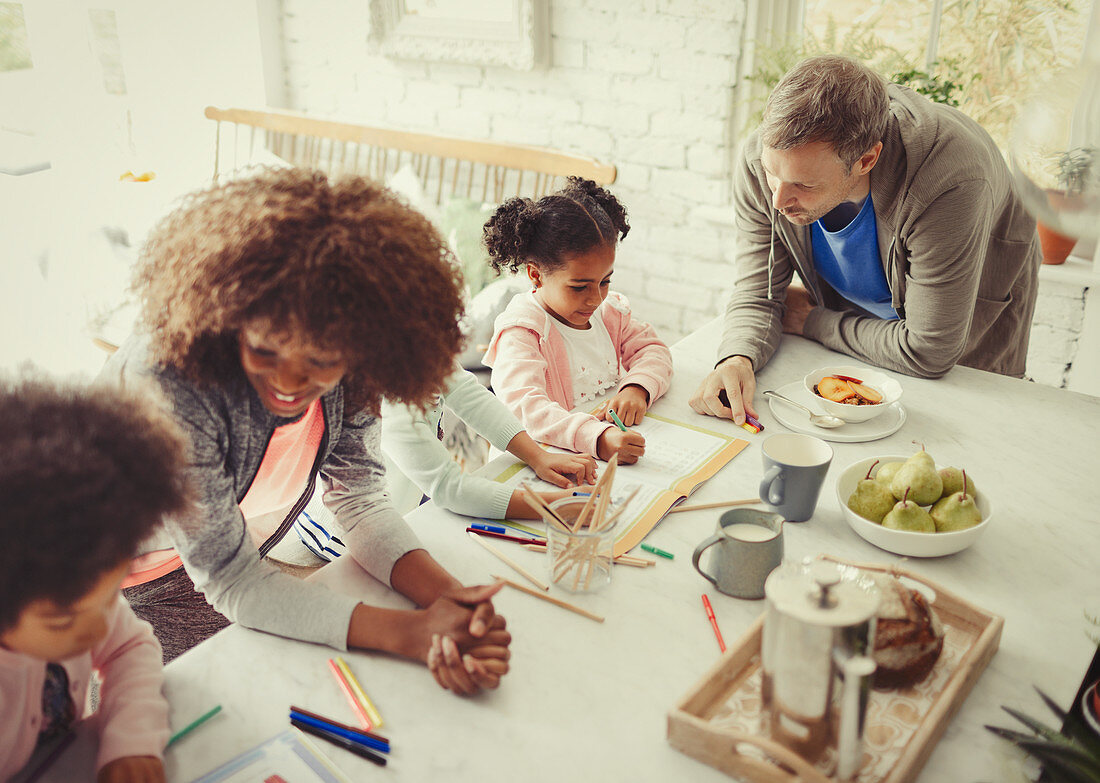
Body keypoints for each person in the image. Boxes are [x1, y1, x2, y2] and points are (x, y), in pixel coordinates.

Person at [99, 168, 510, 696]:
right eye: (264, 351)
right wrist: (411, 633)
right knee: (159, 715)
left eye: (320, 361)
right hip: (130, 568)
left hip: (229, 540)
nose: (291, 383)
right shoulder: (169, 383)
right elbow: (231, 578)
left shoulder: (356, 356)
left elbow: (359, 498)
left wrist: (451, 600)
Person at [690, 54, 1041, 426]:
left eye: (804, 185)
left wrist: (814, 321)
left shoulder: (949, 180)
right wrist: (737, 358)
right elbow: (759, 295)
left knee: (960, 437)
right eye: (771, 173)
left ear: (867, 159)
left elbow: (929, 351)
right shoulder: (764, 162)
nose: (777, 201)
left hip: (964, 328)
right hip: (858, 333)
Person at [0, 376, 192, 783]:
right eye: (62, 621)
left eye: (110, 598)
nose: (101, 626)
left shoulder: (72, 588)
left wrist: (131, 741)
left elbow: (130, 646)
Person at [482, 177, 673, 465]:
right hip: (541, 461)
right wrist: (596, 438)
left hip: (602, 451)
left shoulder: (609, 313)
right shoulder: (523, 332)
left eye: (605, 281)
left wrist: (638, 388)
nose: (596, 298)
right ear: (535, 275)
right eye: (579, 287)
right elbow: (527, 410)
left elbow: (653, 350)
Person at [380, 362, 598, 520]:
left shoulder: (424, 354)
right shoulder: (390, 406)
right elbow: (449, 488)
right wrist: (553, 506)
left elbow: (465, 393)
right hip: (377, 520)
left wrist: (538, 456)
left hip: (414, 496)